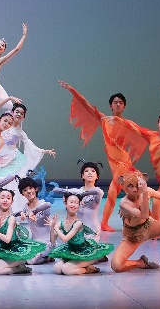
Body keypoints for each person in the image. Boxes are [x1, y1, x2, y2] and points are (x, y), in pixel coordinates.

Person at [58, 83, 149, 232]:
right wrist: (72, 90)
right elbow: (87, 106)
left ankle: (109, 223)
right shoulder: (104, 120)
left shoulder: (128, 124)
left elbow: (146, 133)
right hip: (114, 163)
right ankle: (143, 220)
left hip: (123, 162)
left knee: (115, 190)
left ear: (124, 106)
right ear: (110, 105)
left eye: (121, 102)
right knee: (129, 192)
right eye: (115, 102)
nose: (118, 104)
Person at [111, 170, 160, 273]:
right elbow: (144, 215)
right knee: (116, 265)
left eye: (137, 185)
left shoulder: (146, 191)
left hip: (149, 226)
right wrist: (145, 192)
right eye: (131, 186)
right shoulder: (124, 203)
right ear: (125, 187)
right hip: (133, 236)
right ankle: (141, 263)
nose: (135, 189)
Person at [0, 187, 48, 274]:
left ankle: (22, 268)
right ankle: (11, 265)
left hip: (16, 251)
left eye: (8, 198)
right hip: (2, 250)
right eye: (2, 198)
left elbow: (7, 239)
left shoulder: (11, 218)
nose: (5, 200)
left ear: (12, 202)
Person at [49, 192, 113, 275]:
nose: (74, 205)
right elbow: (52, 241)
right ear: (66, 203)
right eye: (71, 202)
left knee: (66, 270)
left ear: (79, 206)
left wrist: (56, 228)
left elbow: (65, 239)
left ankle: (89, 269)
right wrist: (52, 227)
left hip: (85, 252)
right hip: (72, 251)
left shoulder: (78, 223)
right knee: (57, 269)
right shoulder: (61, 223)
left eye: (76, 203)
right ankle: (82, 266)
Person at [51, 161, 106, 239]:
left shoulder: (97, 193)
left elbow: (97, 191)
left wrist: (82, 195)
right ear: (82, 176)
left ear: (97, 176)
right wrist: (68, 196)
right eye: (86, 171)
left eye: (93, 171)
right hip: (77, 230)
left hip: (92, 230)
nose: (90, 173)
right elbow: (55, 190)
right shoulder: (77, 191)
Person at [14, 175, 52, 265]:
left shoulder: (43, 204)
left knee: (31, 261)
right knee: (21, 258)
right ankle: (45, 257)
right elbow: (13, 214)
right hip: (34, 242)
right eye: (25, 190)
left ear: (36, 189)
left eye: (30, 188)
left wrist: (34, 212)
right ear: (22, 194)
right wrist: (20, 213)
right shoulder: (25, 207)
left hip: (48, 242)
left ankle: (48, 257)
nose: (28, 191)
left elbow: (48, 205)